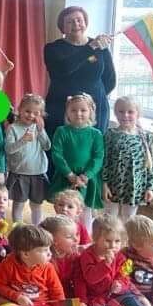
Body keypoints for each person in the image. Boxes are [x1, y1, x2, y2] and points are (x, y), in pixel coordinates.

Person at [76, 215, 153, 306]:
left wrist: (119, 284)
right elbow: (90, 278)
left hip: (112, 295)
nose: (113, 246)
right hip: (94, 298)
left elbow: (124, 275)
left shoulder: (120, 257)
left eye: (117, 241)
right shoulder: (87, 256)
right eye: (108, 241)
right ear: (95, 238)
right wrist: (106, 264)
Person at [44, 6, 116, 137]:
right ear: (62, 27)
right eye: (70, 21)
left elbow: (110, 80)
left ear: (85, 23)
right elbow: (62, 69)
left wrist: (93, 96)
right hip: (60, 108)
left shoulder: (101, 47)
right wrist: (90, 47)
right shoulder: (52, 48)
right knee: (61, 146)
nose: (76, 24)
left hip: (95, 109)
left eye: (79, 20)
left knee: (94, 147)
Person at [47, 93, 105, 232]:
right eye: (73, 110)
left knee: (85, 211)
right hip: (65, 177)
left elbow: (98, 157)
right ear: (67, 112)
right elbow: (57, 154)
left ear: (90, 112)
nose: (78, 113)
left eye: (83, 110)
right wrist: (70, 175)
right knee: (64, 209)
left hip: (87, 180)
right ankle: (62, 234)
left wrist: (86, 175)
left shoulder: (96, 134)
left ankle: (85, 238)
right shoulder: (62, 131)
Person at [102, 97, 153, 221]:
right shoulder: (110, 135)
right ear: (115, 113)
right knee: (110, 218)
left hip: (134, 187)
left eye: (130, 112)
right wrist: (104, 185)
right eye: (121, 111)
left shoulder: (145, 137)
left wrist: (150, 187)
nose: (125, 115)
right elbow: (105, 162)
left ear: (138, 114)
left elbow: (150, 165)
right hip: (113, 185)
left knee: (129, 219)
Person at [5, 94, 51, 225]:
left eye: (36, 113)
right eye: (27, 111)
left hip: (38, 172)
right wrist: (23, 140)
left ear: (41, 114)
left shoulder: (38, 127)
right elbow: (9, 149)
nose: (31, 115)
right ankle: (18, 230)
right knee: (18, 205)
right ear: (20, 109)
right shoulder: (13, 128)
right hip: (19, 173)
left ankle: (37, 229)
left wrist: (41, 131)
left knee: (36, 205)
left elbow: (47, 146)